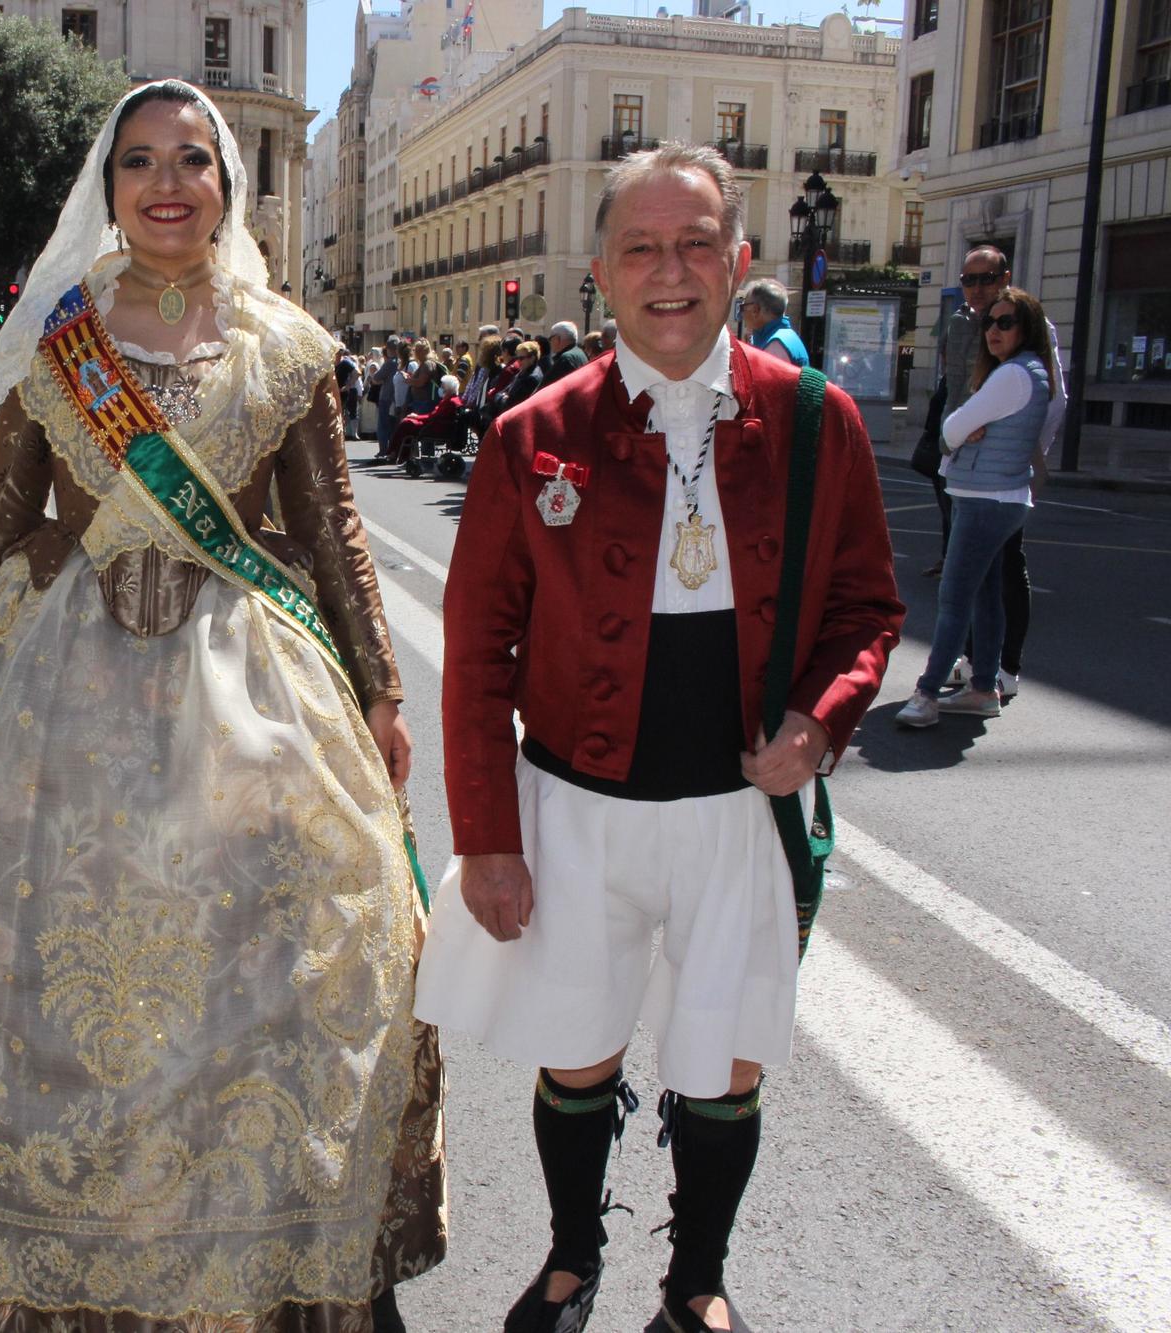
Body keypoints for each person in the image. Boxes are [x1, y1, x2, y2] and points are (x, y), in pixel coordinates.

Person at [0, 79, 445, 1332]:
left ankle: (252, 1245)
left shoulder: (286, 345)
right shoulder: (55, 339)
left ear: (225, 186)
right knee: (37, 968)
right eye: (140, 161)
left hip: (247, 688)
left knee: (254, 966)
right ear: (110, 186)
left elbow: (332, 533)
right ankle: (45, 1250)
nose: (166, 182)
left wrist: (383, 690)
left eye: (192, 159)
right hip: (57, 693)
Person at [414, 142, 901, 1333]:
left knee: (723, 1065)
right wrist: (486, 838)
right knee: (574, 1055)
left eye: (694, 244)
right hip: (572, 810)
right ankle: (572, 1258)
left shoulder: (812, 420)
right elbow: (477, 660)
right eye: (640, 246)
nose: (668, 271)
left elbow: (864, 607)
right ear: (600, 271)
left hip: (739, 810)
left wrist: (820, 720)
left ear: (738, 260)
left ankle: (696, 1280)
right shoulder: (529, 434)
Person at [895, 284, 1056, 727]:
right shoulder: (1031, 371)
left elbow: (952, 428)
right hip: (998, 496)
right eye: (990, 322)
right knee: (986, 595)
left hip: (985, 498)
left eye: (1006, 322)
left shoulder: (1011, 375)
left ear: (1027, 328)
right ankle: (984, 687)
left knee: (954, 598)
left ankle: (926, 696)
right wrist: (967, 429)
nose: (994, 331)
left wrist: (963, 429)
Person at [923, 247, 1063, 694]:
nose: (978, 288)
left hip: (999, 472)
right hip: (960, 464)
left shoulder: (1033, 333)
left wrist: (1022, 449)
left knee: (1000, 570)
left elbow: (1056, 399)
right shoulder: (964, 324)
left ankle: (1003, 668)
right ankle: (974, 661)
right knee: (970, 573)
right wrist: (951, 443)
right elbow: (952, 392)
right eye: (969, 280)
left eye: (986, 278)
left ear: (1005, 278)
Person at [740, 278, 809, 368]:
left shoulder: (775, 346)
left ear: (755, 310)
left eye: (743, 307)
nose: (742, 313)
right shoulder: (785, 336)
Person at [500, 339, 544, 411]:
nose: (518, 361)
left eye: (521, 358)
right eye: (517, 358)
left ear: (532, 358)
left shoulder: (531, 378)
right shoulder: (522, 372)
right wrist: (502, 397)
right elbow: (503, 391)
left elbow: (511, 403)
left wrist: (502, 398)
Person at [545, 320, 589, 385]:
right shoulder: (581, 354)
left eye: (550, 338)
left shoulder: (566, 359)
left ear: (557, 339)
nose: (550, 342)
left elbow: (548, 386)